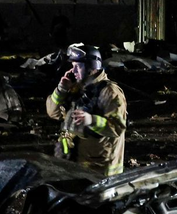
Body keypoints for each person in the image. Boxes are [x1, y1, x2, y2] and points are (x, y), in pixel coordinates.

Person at [45, 43, 127, 177]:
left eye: (77, 67)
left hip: (100, 171)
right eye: (72, 67)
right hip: (76, 165)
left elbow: (117, 127)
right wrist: (61, 89)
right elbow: (53, 113)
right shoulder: (77, 88)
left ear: (91, 67)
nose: (73, 71)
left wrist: (91, 120)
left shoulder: (110, 92)